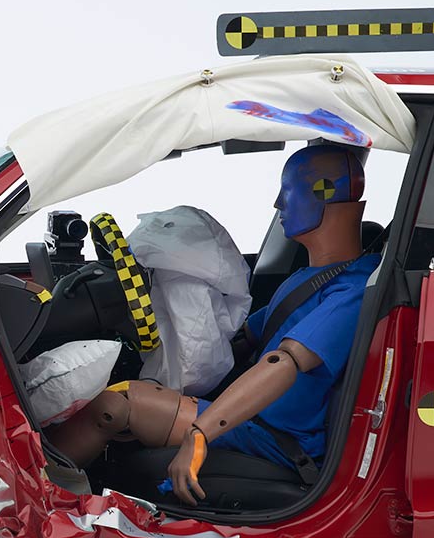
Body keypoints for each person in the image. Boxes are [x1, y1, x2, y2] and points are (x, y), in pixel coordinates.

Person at [48, 144, 382, 505]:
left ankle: (38, 496)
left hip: (276, 440)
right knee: (127, 392)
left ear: (324, 194)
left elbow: (281, 362)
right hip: (254, 421)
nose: (278, 204)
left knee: (115, 405)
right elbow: (242, 339)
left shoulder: (351, 291)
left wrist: (200, 433)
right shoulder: (307, 277)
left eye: (287, 191)